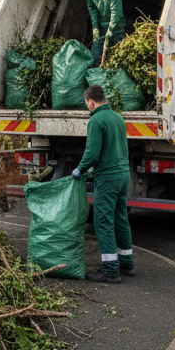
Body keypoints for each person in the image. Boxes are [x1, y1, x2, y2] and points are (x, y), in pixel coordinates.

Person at [73, 84, 134, 283]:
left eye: (86, 104)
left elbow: (92, 152)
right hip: (123, 175)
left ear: (90, 101)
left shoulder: (96, 120)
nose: (87, 106)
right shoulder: (117, 117)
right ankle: (127, 264)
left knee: (103, 221)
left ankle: (110, 269)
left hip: (107, 177)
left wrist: (81, 169)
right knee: (120, 218)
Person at [86, 0, 126, 67]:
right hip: (101, 29)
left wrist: (111, 31)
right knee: (95, 56)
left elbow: (116, 12)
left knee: (117, 58)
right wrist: (95, 27)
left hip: (116, 29)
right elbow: (92, 9)